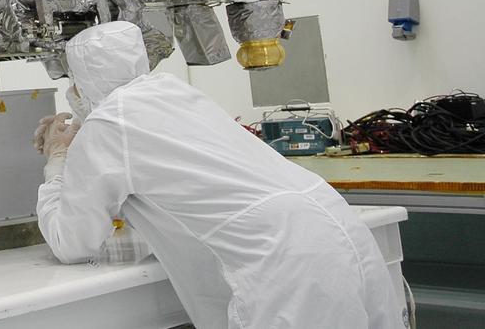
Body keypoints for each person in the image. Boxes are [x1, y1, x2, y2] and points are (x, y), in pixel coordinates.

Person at [35, 21, 406, 329]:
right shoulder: (174, 94)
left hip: (282, 257)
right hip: (338, 229)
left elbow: (74, 242)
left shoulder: (108, 125)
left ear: (81, 80)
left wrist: (58, 159)